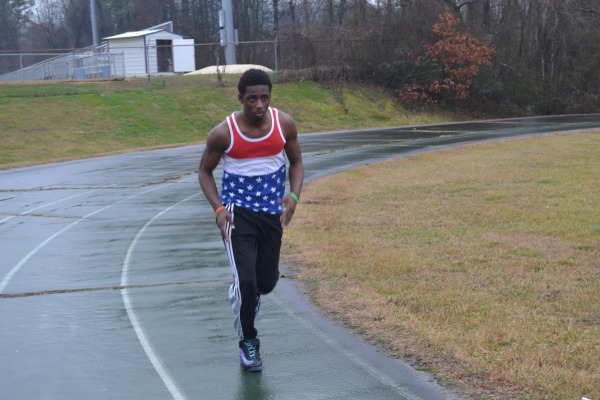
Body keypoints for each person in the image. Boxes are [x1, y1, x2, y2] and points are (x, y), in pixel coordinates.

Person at [198, 68, 304, 372]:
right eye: (252, 99)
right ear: (240, 98)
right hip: (237, 215)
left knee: (266, 284)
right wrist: (219, 209)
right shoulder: (224, 133)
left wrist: (293, 197)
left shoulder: (284, 125)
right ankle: (248, 343)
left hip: (271, 215)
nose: (259, 104)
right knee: (246, 282)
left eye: (264, 98)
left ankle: (245, 295)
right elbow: (204, 172)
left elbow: (296, 163)